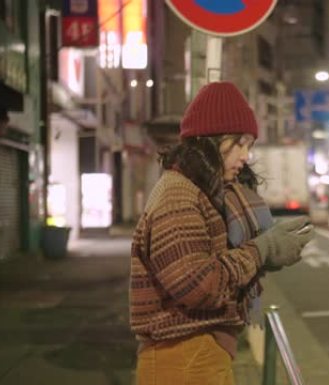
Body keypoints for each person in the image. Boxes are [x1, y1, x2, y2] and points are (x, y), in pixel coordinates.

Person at [130, 81, 315, 385]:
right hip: (183, 354)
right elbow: (198, 286)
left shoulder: (202, 191)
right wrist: (261, 250)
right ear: (209, 140)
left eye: (250, 146)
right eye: (239, 143)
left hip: (199, 351)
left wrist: (267, 250)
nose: (245, 156)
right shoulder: (179, 196)